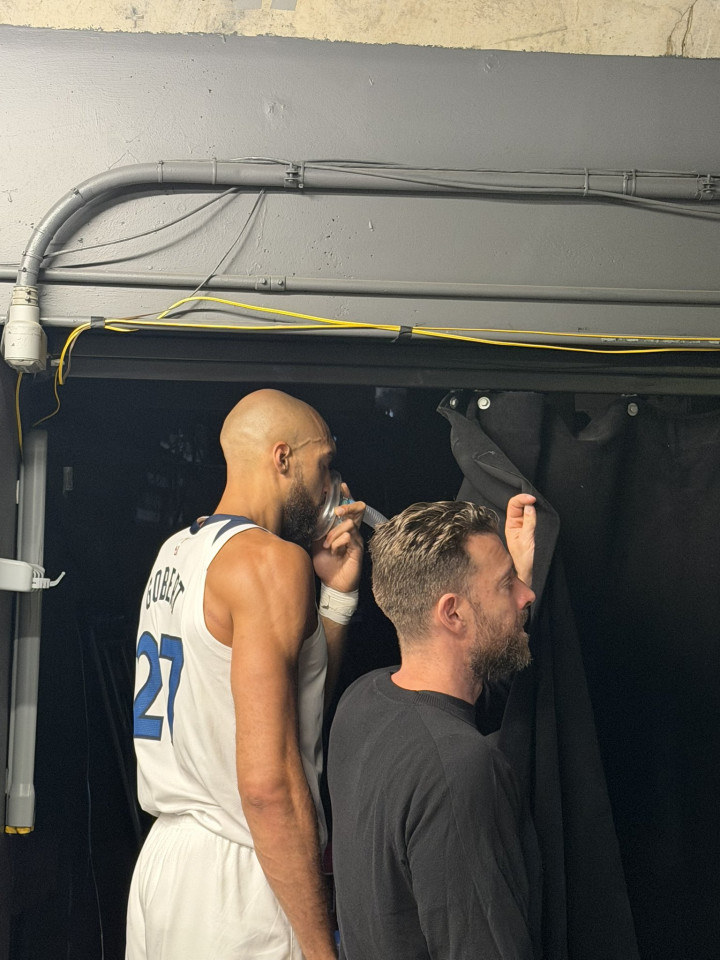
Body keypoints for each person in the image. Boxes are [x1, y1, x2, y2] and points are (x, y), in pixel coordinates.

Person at [126, 388, 365, 960]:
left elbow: (294, 708)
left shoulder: (177, 551)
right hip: (239, 876)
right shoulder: (269, 561)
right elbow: (267, 785)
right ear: (282, 459)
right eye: (323, 464)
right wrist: (321, 949)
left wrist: (336, 596)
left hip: (165, 869)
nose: (332, 486)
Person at [327, 497, 542, 960]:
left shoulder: (362, 700)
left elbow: (472, 698)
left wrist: (517, 573)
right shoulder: (461, 767)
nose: (526, 595)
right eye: (508, 585)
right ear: (453, 614)